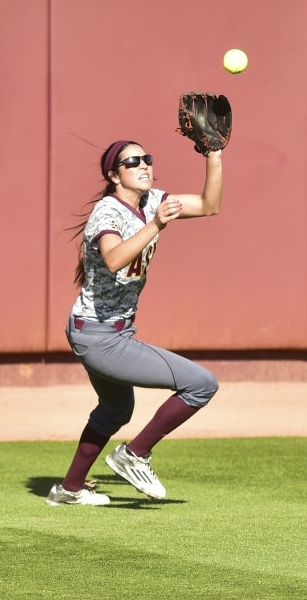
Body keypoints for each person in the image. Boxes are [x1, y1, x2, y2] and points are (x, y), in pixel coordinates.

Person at [46, 139, 223, 507]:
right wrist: (156, 224)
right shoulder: (108, 213)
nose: (144, 165)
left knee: (115, 410)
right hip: (100, 337)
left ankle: (69, 489)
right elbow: (113, 258)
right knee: (201, 384)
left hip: (100, 328)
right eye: (132, 162)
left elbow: (210, 205)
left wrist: (214, 156)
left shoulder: (152, 201)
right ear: (114, 175)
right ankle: (135, 454)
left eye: (147, 159)